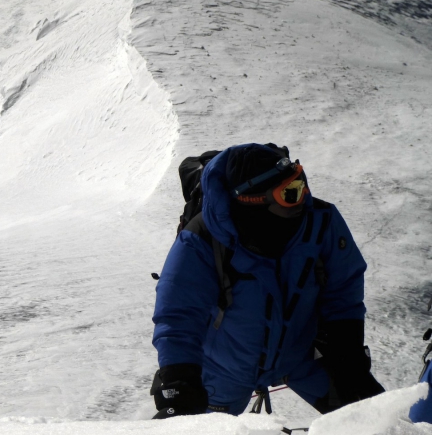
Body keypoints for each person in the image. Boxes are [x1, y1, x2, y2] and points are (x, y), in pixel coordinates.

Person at [151, 143, 385, 418]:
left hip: (300, 356)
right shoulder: (202, 240)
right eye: (289, 193)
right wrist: (179, 375)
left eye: (300, 182)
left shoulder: (320, 224)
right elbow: (178, 316)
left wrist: (347, 356)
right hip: (225, 369)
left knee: (375, 424)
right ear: (252, 201)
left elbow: (343, 291)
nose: (303, 198)